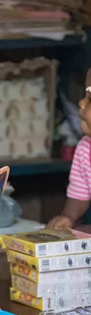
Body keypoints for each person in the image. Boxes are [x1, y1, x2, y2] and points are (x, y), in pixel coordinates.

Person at [48, 70, 91, 230]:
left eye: (90, 99)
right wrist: (69, 217)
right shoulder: (85, 149)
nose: (80, 102)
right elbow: (79, 193)